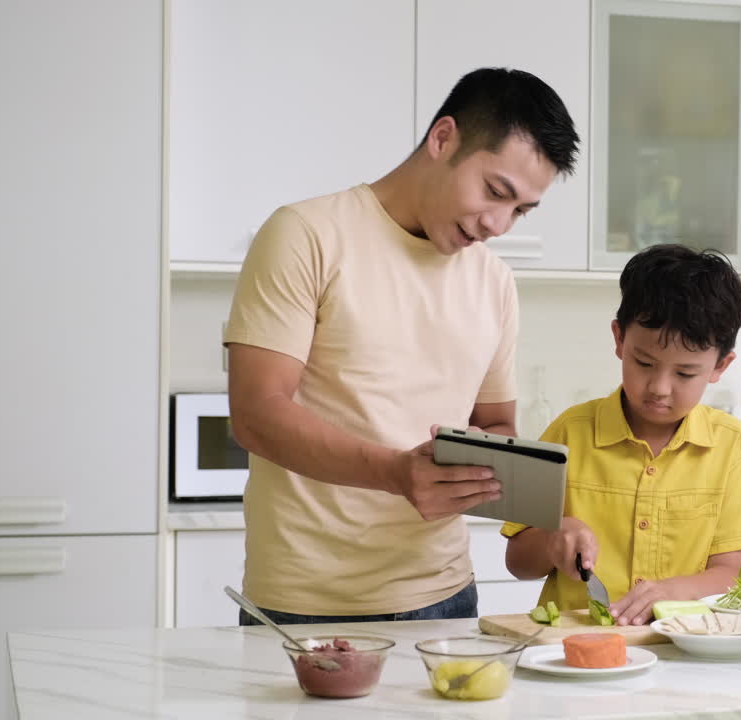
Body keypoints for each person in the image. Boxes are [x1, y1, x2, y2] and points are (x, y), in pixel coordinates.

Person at [223, 67, 579, 625]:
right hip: (305, 603)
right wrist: (396, 473)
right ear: (444, 139)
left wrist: (523, 489)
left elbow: (497, 427)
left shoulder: (494, 283)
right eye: (495, 192)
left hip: (446, 596)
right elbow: (256, 413)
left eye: (520, 211)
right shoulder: (306, 234)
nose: (499, 225)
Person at [502, 244, 741, 626]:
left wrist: (673, 591)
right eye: (644, 363)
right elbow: (518, 562)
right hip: (577, 647)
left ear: (720, 365)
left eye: (685, 374)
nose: (660, 388)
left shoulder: (730, 445)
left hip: (683, 645)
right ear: (619, 339)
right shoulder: (569, 432)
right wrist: (553, 538)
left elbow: (731, 572)